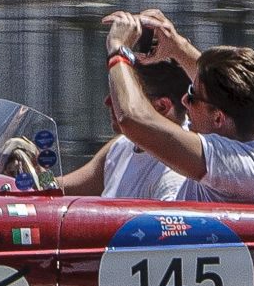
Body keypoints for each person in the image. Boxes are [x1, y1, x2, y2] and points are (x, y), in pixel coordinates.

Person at [102, 9, 254, 205]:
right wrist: (175, 46)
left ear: (218, 118)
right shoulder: (250, 126)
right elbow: (213, 84)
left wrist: (118, 50)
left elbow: (133, 119)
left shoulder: (239, 167)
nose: (184, 100)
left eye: (192, 95)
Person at [58, 59, 192, 199]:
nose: (108, 101)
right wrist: (36, 169)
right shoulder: (123, 145)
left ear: (161, 107)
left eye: (123, 96)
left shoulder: (174, 178)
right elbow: (60, 188)